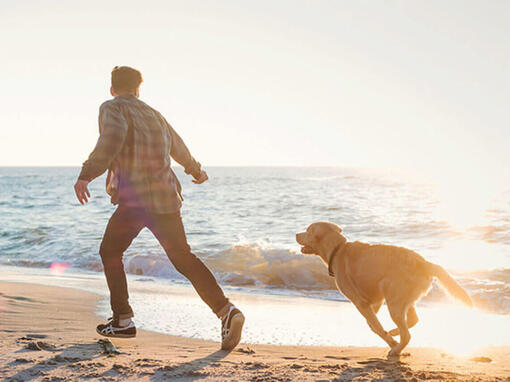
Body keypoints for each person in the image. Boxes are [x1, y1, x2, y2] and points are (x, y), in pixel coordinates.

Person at [73, 66, 244, 351]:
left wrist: (86, 173)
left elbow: (111, 139)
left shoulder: (111, 108)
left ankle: (123, 320)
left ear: (112, 88)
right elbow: (178, 145)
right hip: (166, 198)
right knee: (183, 257)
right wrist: (195, 170)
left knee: (110, 251)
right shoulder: (154, 114)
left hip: (136, 199)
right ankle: (227, 311)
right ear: (138, 89)